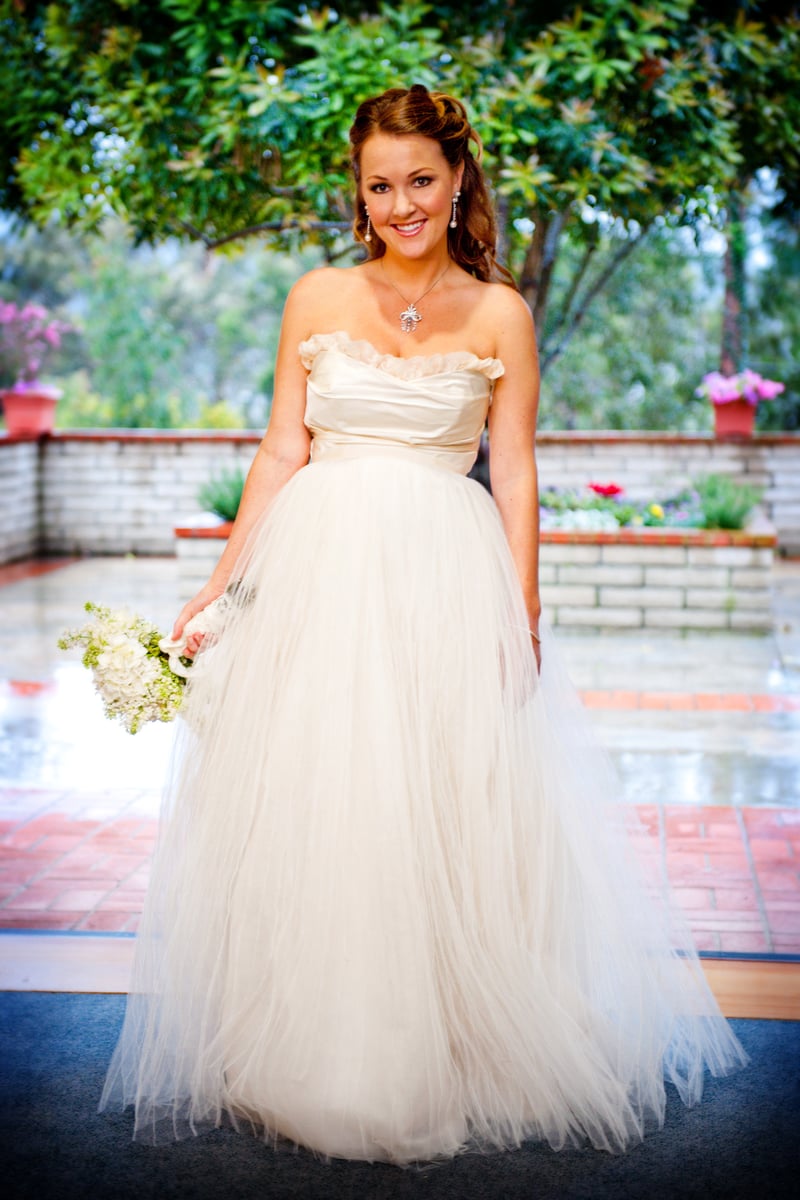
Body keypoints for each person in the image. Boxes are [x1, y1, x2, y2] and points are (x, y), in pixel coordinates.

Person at [100, 85, 746, 1164]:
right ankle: (321, 1040)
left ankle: (443, 1038)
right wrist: (220, 585)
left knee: (441, 794)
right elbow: (281, 450)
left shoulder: (499, 314)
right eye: (379, 185)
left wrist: (521, 610)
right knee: (330, 796)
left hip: (446, 579)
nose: (400, 204)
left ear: (456, 182)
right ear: (358, 195)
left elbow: (516, 469)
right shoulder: (315, 296)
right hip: (320, 574)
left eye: (419, 181)